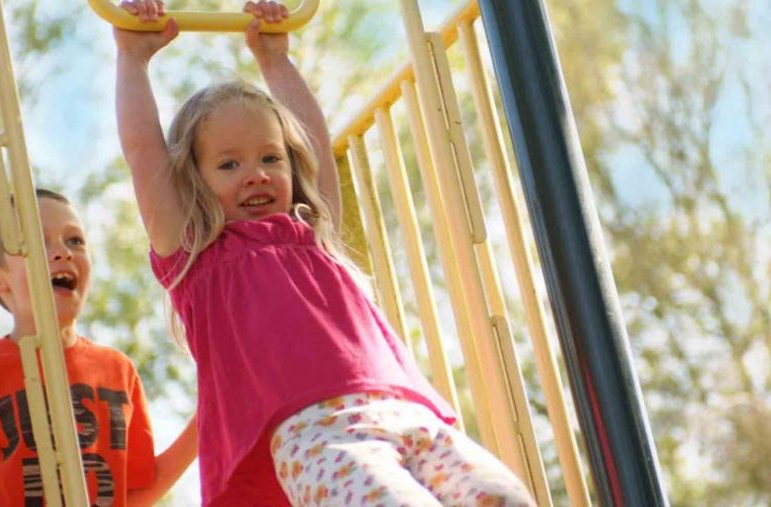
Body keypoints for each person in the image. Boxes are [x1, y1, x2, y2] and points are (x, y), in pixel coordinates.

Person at [113, 1, 537, 505]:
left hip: (406, 410)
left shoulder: (311, 231)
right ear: (192, 182)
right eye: (229, 164)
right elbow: (144, 152)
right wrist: (132, 60)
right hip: (317, 435)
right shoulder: (199, 258)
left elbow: (312, 141)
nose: (257, 173)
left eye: (271, 158)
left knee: (504, 496)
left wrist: (275, 59)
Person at [0, 188, 198, 506]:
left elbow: (135, 490)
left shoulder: (116, 370)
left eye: (75, 241)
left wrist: (209, 414)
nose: (63, 252)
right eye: (37, 243)